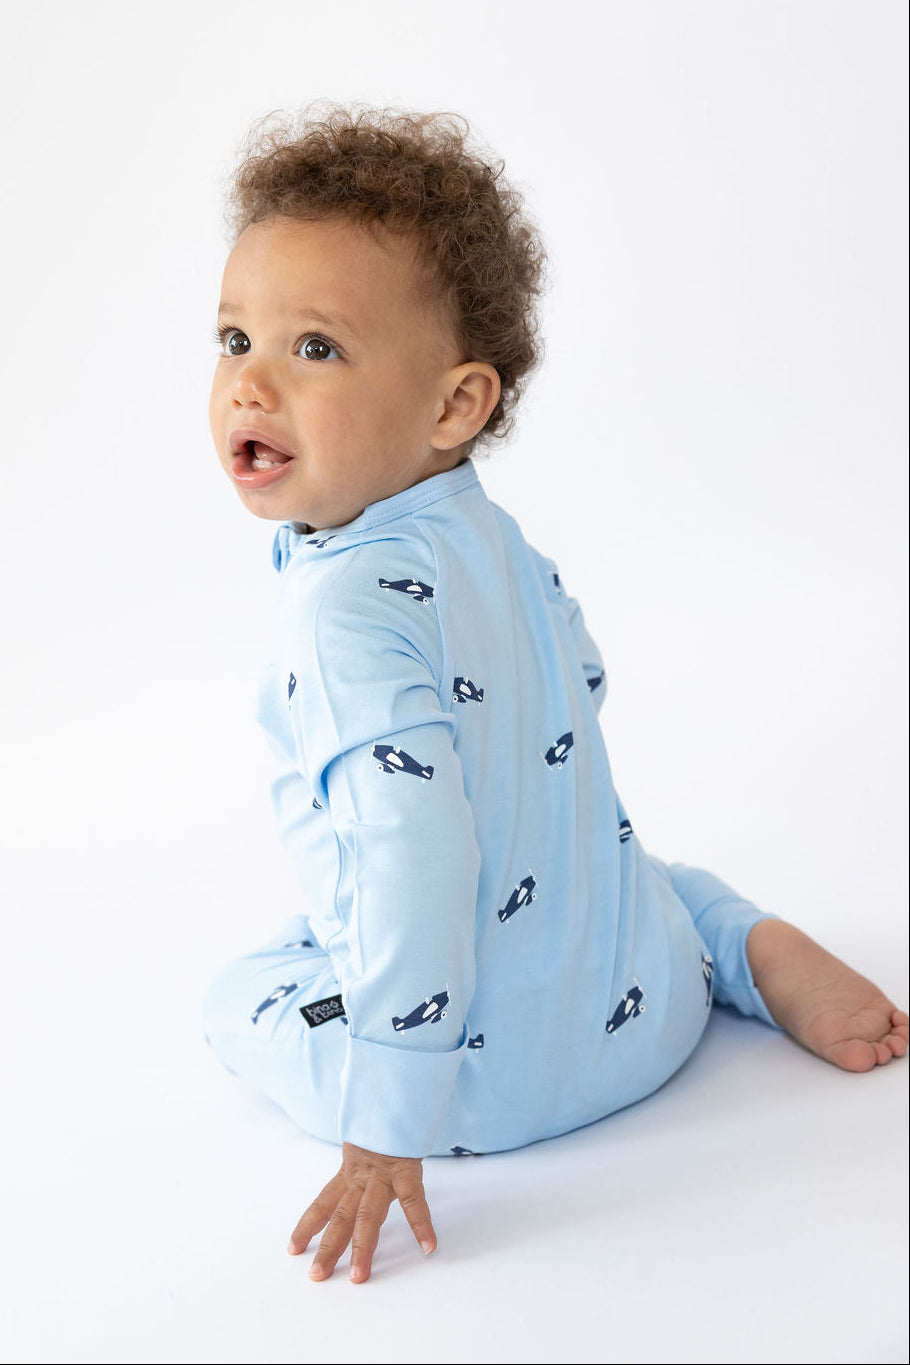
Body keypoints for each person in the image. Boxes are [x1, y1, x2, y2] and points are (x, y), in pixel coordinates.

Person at [202, 105, 907, 1285]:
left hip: (488, 1080)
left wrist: (387, 1119)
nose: (250, 385)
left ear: (453, 406)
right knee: (650, 876)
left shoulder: (341, 613)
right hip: (645, 1002)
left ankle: (404, 1050)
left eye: (314, 348)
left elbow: (414, 860)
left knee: (241, 993)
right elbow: (579, 676)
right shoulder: (489, 536)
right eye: (234, 339)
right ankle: (737, 946)